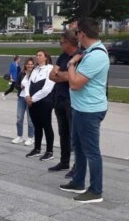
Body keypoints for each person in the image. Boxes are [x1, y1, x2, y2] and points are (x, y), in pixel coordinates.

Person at [60, 17, 110, 203]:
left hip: (89, 110)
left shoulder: (96, 55)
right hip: (81, 108)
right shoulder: (89, 52)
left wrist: (71, 64)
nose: (76, 37)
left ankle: (96, 190)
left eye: (76, 33)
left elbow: (74, 84)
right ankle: (78, 181)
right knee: (78, 147)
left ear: (82, 33)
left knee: (91, 151)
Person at [48, 31, 79, 174]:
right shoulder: (62, 57)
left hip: (71, 100)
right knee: (63, 133)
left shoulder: (79, 56)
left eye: (61, 42)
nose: (60, 44)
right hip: (59, 98)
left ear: (68, 42)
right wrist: (65, 76)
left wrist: (63, 75)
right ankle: (64, 161)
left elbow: (72, 77)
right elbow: (51, 76)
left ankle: (77, 166)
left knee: (75, 135)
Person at [26, 50, 55, 161]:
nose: (37, 57)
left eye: (40, 55)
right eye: (36, 55)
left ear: (46, 57)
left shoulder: (50, 69)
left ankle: (49, 151)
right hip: (32, 102)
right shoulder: (35, 69)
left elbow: (47, 89)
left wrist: (33, 99)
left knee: (46, 126)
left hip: (44, 102)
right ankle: (37, 149)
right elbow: (28, 83)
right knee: (37, 126)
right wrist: (27, 96)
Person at [12, 58, 35, 146]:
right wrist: (20, 86)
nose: (29, 65)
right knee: (19, 118)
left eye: (31, 64)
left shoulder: (35, 74)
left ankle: (30, 137)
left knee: (30, 120)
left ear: (33, 65)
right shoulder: (21, 73)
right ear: (25, 65)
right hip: (21, 98)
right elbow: (16, 85)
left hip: (30, 98)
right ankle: (19, 136)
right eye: (28, 64)